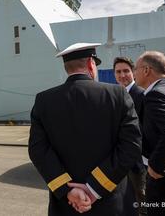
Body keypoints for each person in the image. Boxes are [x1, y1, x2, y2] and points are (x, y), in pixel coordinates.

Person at [28, 43, 142, 216]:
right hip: (112, 203)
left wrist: (67, 190)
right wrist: (94, 188)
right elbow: (131, 146)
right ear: (91, 64)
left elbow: (38, 150)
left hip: (66, 205)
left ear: (67, 67)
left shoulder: (44, 100)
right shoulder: (118, 95)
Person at [134, 51, 165, 216]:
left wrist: (156, 168)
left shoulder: (155, 95)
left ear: (146, 70)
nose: (134, 72)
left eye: (135, 68)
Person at [113, 57, 147, 214]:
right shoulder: (117, 94)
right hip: (121, 161)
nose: (122, 75)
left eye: (126, 71)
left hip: (137, 163)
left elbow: (145, 130)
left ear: (133, 72)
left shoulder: (140, 95)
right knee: (128, 201)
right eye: (118, 72)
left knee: (141, 200)